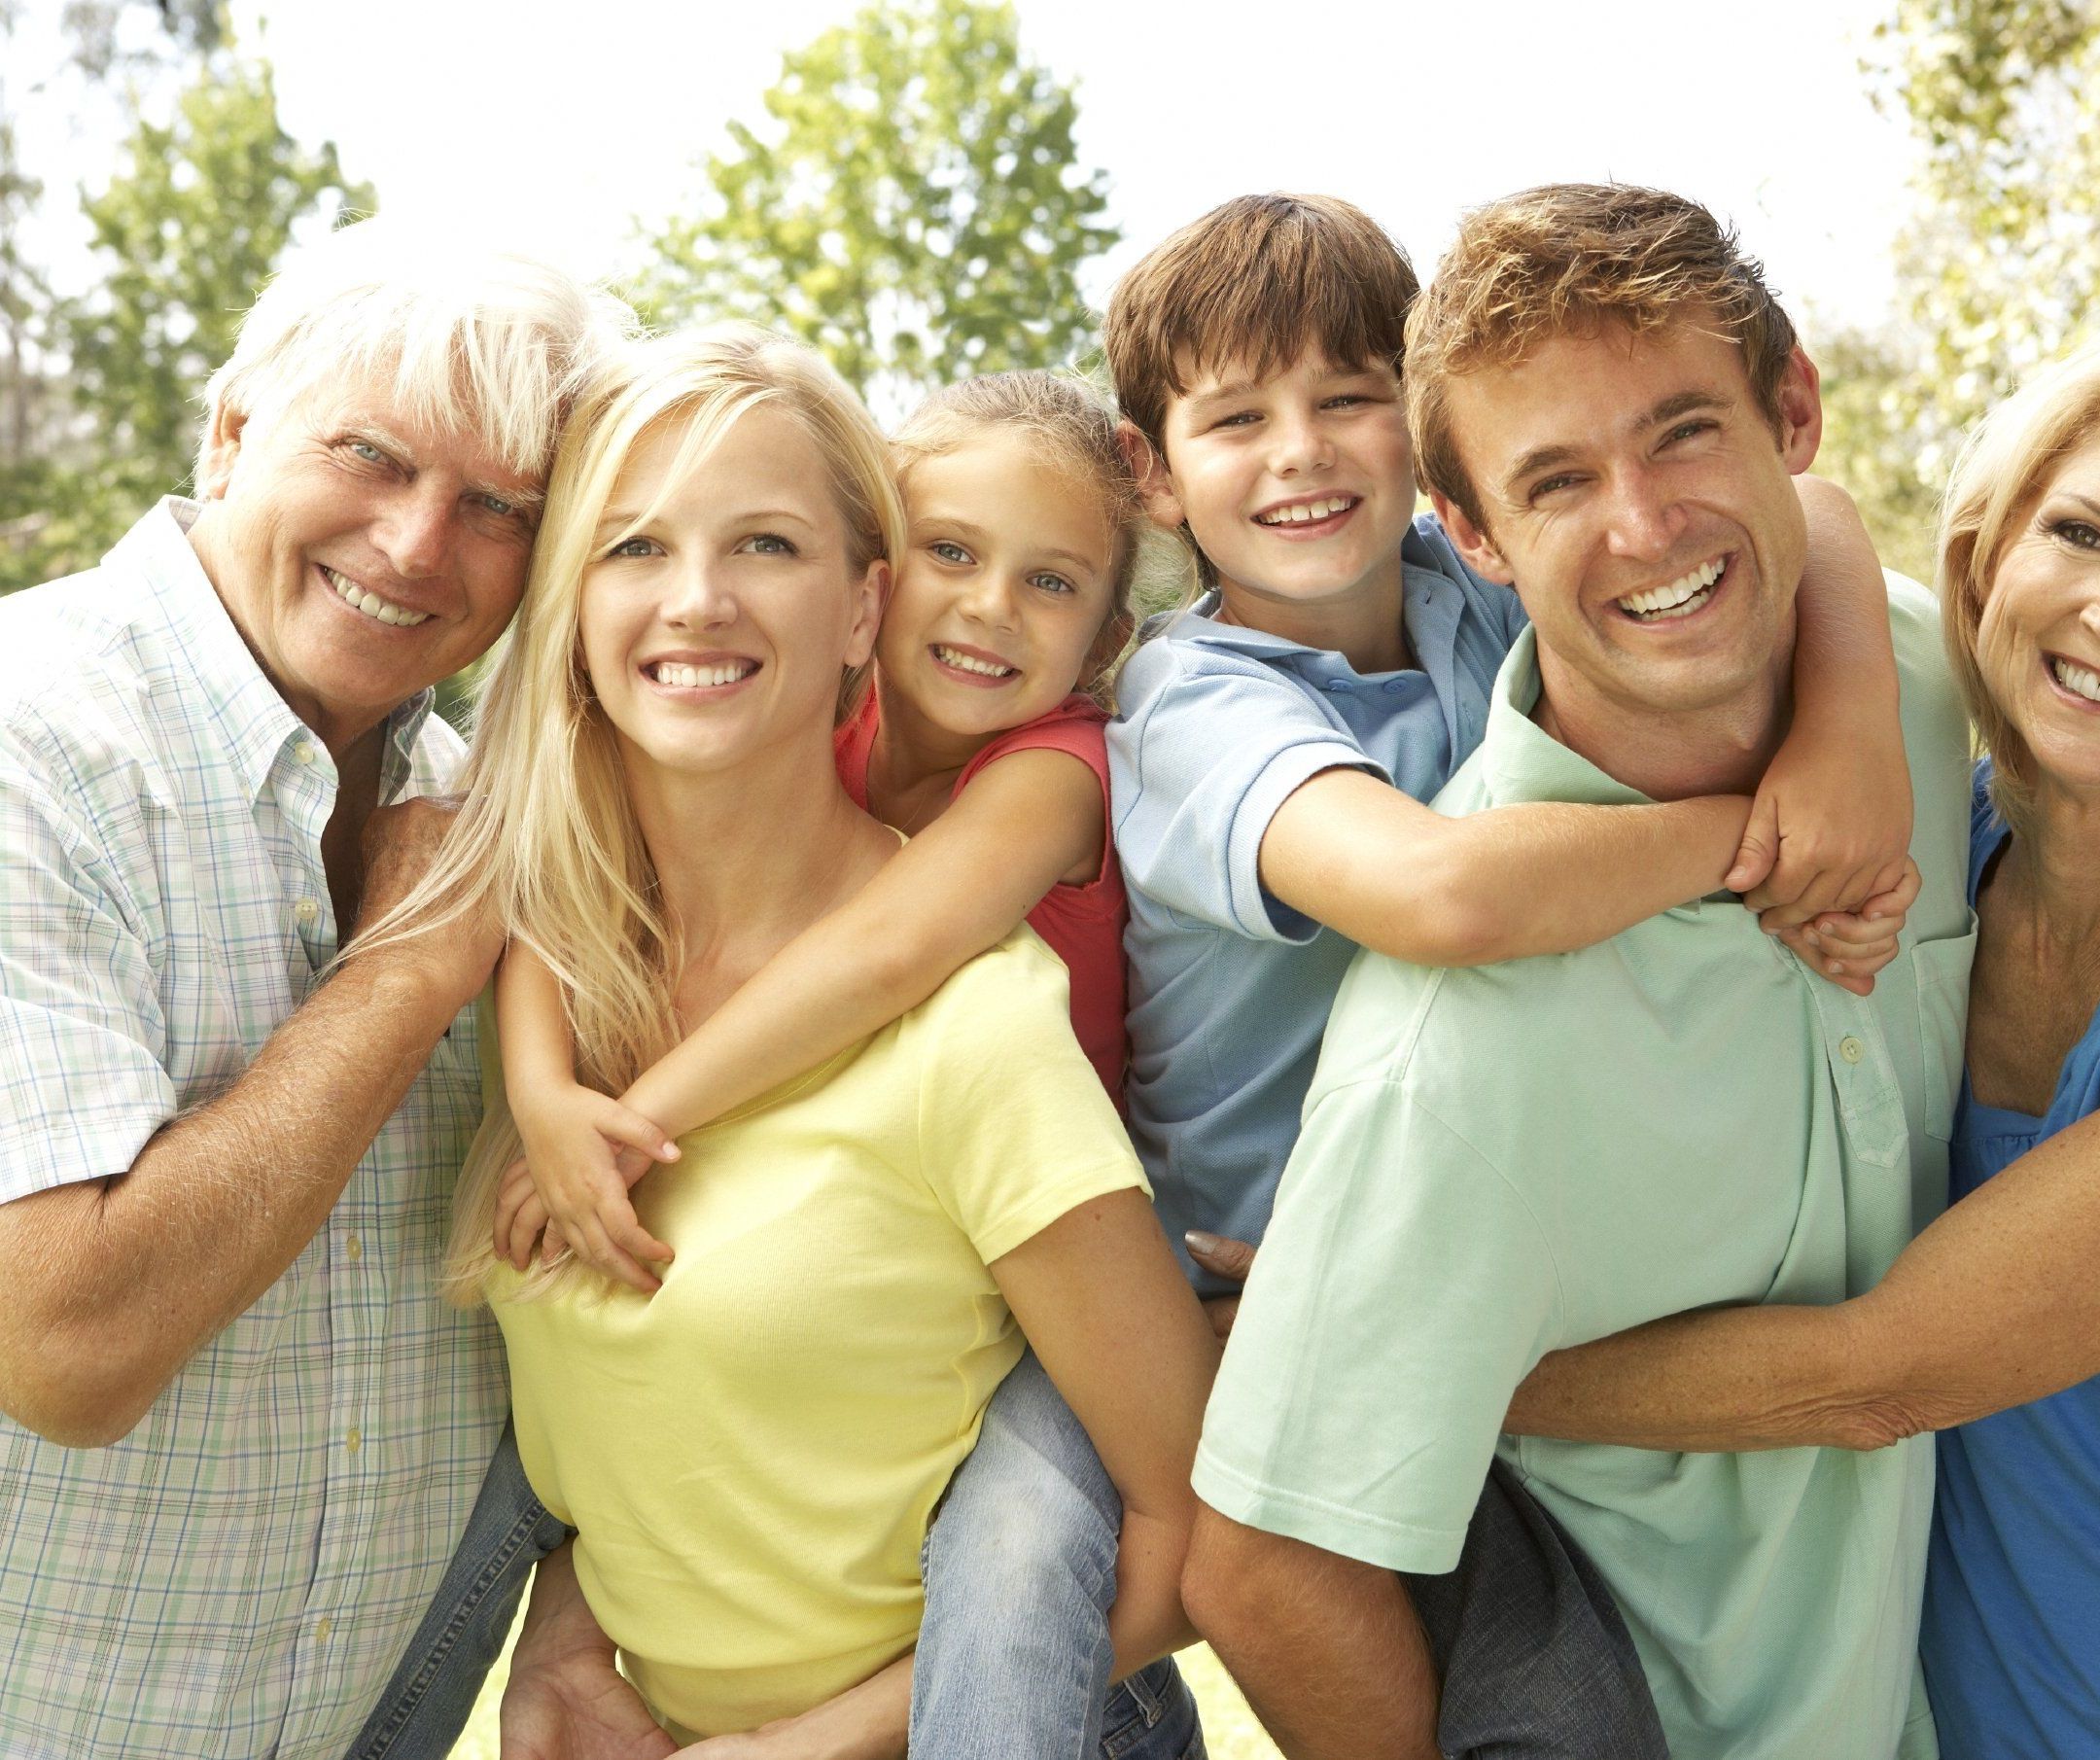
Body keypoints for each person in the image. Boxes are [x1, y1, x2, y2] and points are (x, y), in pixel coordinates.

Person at [1180, 183, 1977, 1760]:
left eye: (1684, 431)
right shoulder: (1454, 1050)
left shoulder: (1919, 685)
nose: (1643, 522)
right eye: (1555, 480)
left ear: (1792, 410)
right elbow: (1262, 1566)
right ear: (1470, 534)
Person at [1493, 302, 2100, 1760]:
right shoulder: (1925, 859)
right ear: (1985, 559)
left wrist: (1425, 1365)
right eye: (2075, 533)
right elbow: (1810, 505)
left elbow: (1873, 1372)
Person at [374, 323, 1217, 1752]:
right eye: (633, 546)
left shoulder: (970, 1018)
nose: (695, 599)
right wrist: (567, 1636)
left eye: (763, 544)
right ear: (568, 603)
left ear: (856, 609)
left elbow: (1194, 1528)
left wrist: (793, 1747)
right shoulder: (552, 975)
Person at [0, 219, 637, 1759]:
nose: (419, 543)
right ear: (231, 436)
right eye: (371, 456)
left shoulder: (502, 814)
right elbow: (64, 1346)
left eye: (496, 504)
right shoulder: (33, 743)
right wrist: (412, 966)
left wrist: (570, 1593)